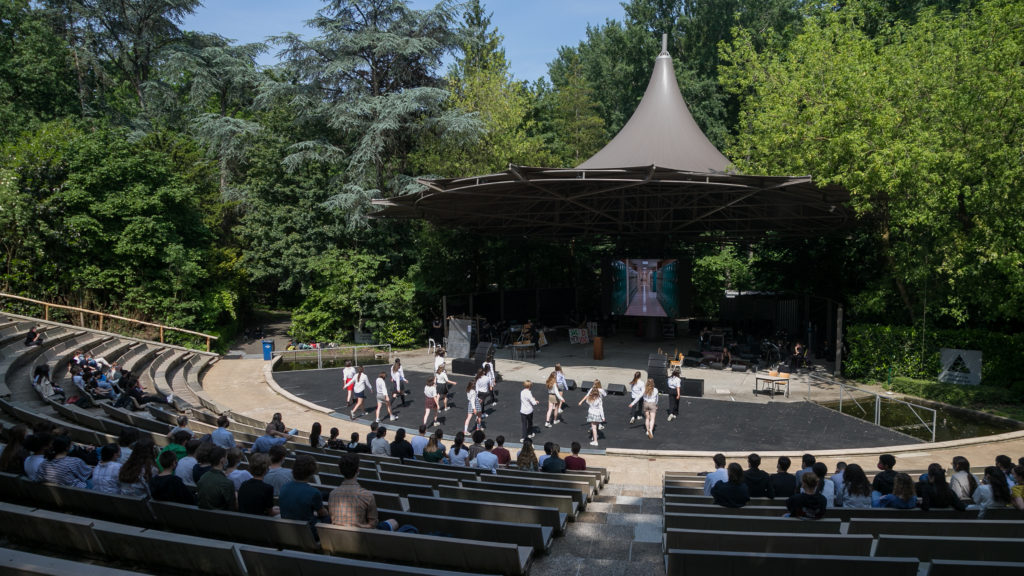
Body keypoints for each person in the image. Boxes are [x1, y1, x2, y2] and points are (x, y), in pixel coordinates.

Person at [329, 453, 380, 528]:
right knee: (393, 522)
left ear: (340, 470)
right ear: (358, 470)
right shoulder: (367, 495)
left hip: (337, 533)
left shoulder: (332, 494)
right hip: (362, 533)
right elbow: (373, 524)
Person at [279, 454, 330, 528]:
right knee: (327, 518)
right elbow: (322, 513)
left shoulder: (284, 487)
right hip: (307, 529)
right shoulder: (314, 492)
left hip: (287, 526)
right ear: (311, 473)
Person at [196, 445, 236, 510]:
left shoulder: (203, 477)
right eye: (226, 457)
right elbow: (231, 507)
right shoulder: (227, 483)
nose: (227, 460)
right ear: (222, 460)